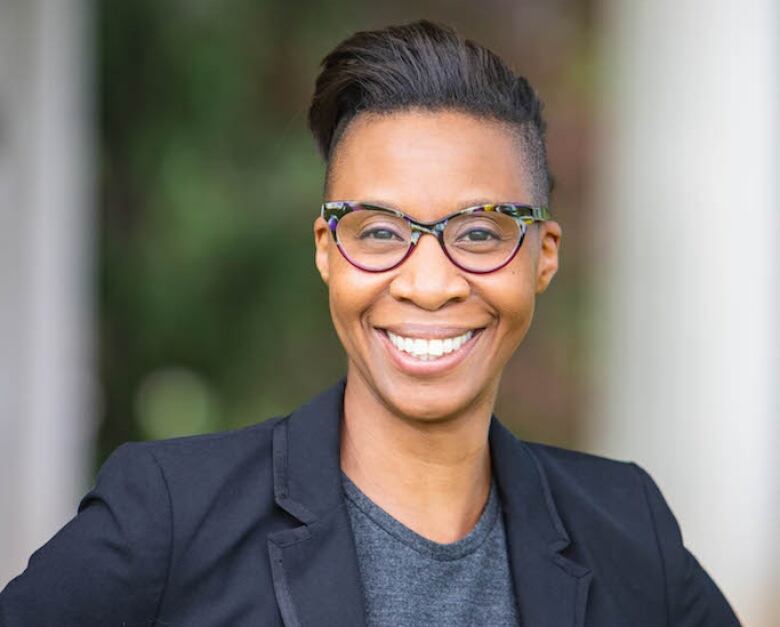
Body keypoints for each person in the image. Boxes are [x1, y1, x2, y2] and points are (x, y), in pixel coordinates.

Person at [0, 19, 740, 627]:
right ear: (328, 251)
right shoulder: (167, 516)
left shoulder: (628, 528)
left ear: (542, 256)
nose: (427, 283)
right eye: (379, 231)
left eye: (480, 232)